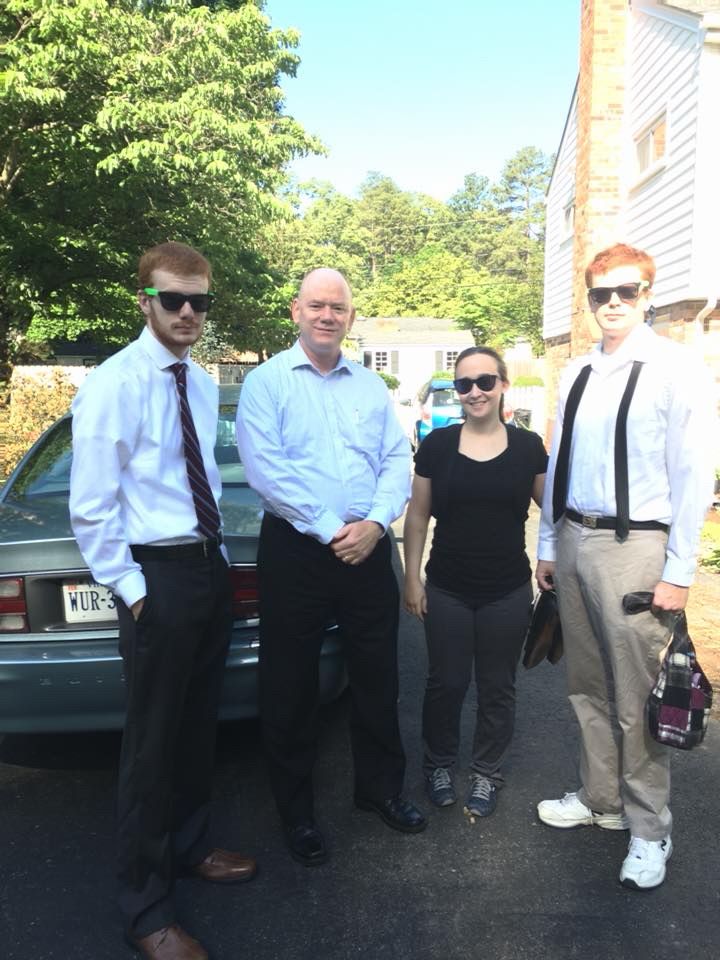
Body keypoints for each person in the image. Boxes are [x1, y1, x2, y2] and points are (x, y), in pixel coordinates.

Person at [70, 242, 256, 960]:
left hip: (205, 566)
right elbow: (92, 507)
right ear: (143, 299)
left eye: (198, 301)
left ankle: (189, 846)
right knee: (150, 748)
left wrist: (215, 566)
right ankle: (146, 910)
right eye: (172, 298)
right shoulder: (115, 383)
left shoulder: (200, 383)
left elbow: (195, 478)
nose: (187, 312)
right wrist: (136, 592)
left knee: (196, 726)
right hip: (156, 578)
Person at [535, 242, 716, 890]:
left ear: (647, 294)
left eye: (626, 291)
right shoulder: (579, 371)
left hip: (637, 548)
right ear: (587, 301)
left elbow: (693, 475)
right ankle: (601, 800)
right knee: (585, 686)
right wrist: (549, 548)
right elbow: (561, 466)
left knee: (637, 699)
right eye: (600, 294)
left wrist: (679, 570)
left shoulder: (676, 368)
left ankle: (649, 828)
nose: (613, 303)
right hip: (576, 539)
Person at [235, 267, 426, 866]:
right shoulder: (266, 383)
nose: (326, 316)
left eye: (337, 308)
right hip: (297, 548)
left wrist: (374, 524)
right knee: (289, 683)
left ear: (349, 317)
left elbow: (398, 458)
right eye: (315, 305)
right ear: (295, 311)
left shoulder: (370, 387)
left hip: (367, 548)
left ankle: (379, 791)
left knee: (377, 676)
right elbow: (266, 468)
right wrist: (330, 529)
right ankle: (297, 814)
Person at [403, 347, 547, 817]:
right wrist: (412, 578)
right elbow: (419, 517)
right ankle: (439, 764)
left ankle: (487, 772)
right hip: (446, 586)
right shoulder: (438, 446)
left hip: (506, 589)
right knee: (445, 683)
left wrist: (553, 559)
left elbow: (555, 516)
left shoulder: (528, 447)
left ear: (504, 384)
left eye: (485, 381)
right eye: (464, 384)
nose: (475, 392)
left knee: (497, 686)